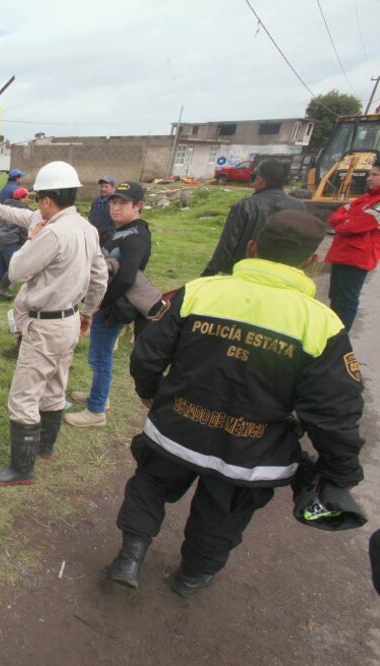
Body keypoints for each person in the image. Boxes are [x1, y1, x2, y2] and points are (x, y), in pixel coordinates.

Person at [100, 210, 364, 597]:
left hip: (177, 428)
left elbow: (148, 352)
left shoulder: (200, 292)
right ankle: (192, 577)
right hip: (250, 453)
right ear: (311, 261)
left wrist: (149, 392)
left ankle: (130, 555)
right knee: (223, 515)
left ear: (252, 248)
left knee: (150, 484)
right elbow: (334, 411)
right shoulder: (322, 324)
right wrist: (341, 471)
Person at [0, 161, 108, 486]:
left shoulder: (51, 233)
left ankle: (21, 469)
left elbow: (16, 271)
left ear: (48, 200)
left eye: (38, 200)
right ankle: (45, 447)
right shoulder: (87, 228)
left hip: (45, 325)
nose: (37, 207)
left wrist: (32, 237)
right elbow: (99, 278)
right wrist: (87, 313)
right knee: (55, 387)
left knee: (24, 396)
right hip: (69, 320)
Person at [66, 181, 152, 428]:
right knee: (99, 356)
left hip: (113, 307)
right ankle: (99, 397)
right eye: (114, 202)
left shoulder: (135, 236)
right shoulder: (123, 230)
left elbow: (125, 278)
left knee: (101, 358)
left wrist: (100, 305)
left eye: (123, 203)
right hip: (109, 305)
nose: (116, 207)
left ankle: (96, 411)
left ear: (138, 205)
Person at [201, 159, 304, 276]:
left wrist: (209, 272)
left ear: (259, 180)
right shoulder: (299, 206)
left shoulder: (245, 205)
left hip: (242, 271)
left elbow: (227, 243)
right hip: (280, 274)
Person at [324, 159, 380, 330]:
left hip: (357, 258)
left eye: (375, 175)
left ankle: (339, 338)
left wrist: (344, 223)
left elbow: (355, 226)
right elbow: (336, 216)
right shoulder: (366, 198)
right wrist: (346, 221)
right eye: (370, 174)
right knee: (336, 297)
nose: (368, 178)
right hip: (342, 253)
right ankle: (331, 333)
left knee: (346, 301)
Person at [0, 186, 30, 299]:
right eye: (27, 197)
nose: (29, 199)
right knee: (12, 267)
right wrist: (23, 243)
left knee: (1, 266)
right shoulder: (23, 211)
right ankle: (3, 290)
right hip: (11, 242)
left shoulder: (4, 207)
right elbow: (24, 230)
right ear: (21, 198)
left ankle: (1, 288)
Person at [87, 176, 117, 244]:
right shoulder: (96, 201)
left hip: (106, 240)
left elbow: (117, 223)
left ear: (113, 188)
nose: (103, 189)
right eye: (101, 186)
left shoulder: (115, 202)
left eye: (106, 187)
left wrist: (107, 236)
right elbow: (91, 217)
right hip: (93, 237)